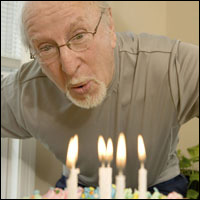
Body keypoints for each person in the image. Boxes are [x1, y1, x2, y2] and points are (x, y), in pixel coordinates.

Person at [1, 1, 199, 197]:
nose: (69, 68)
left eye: (79, 36)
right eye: (46, 48)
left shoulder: (170, 66)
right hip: (79, 186)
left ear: (110, 26)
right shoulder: (28, 91)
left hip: (159, 185)